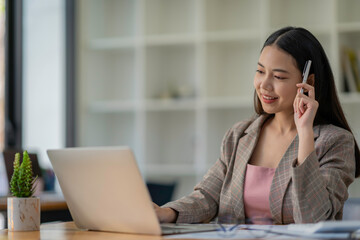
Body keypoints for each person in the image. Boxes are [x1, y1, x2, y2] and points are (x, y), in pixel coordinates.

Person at [153, 26, 360, 224]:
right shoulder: (240, 135)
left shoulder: (336, 142)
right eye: (260, 71)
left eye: (278, 76)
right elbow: (208, 196)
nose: (264, 85)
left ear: (308, 82)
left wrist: (305, 133)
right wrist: (167, 212)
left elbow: (314, 219)